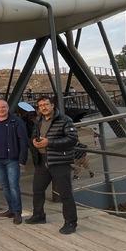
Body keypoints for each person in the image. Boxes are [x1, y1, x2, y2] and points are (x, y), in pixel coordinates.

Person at [27, 96, 79, 234]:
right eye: (41, 105)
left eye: (46, 104)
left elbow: (72, 139)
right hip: (42, 160)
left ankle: (70, 223)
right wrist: (34, 142)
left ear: (52, 105)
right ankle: (39, 216)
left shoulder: (65, 120)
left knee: (65, 194)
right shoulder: (38, 120)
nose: (43, 107)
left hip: (59, 161)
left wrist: (49, 142)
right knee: (37, 190)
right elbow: (33, 135)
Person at [0, 99, 29, 224]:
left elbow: (23, 140)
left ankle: (17, 213)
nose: (1, 109)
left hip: (12, 159)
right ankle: (11, 209)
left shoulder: (16, 121)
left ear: (8, 107)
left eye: (3, 107)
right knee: (5, 187)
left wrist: (22, 159)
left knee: (14, 187)